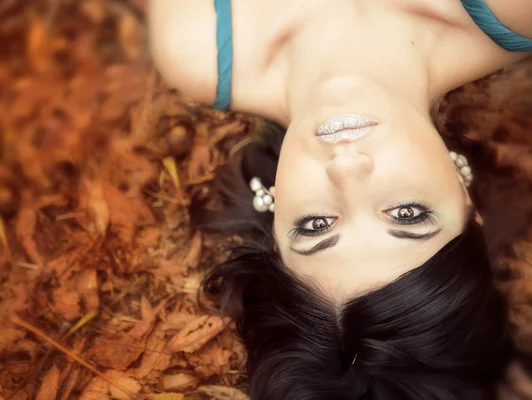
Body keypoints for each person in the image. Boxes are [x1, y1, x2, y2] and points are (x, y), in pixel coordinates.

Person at [148, 1, 532, 398]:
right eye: (406, 214)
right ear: (465, 197)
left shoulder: (197, 44)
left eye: (316, 225)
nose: (346, 169)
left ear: (277, 212)